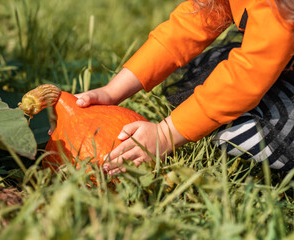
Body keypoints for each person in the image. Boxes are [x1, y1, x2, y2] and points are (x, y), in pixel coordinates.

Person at [75, 0, 294, 175]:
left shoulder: (281, 7)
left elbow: (245, 79)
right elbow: (189, 26)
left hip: (265, 67)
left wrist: (163, 135)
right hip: (275, 63)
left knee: (238, 131)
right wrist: (112, 91)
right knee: (210, 77)